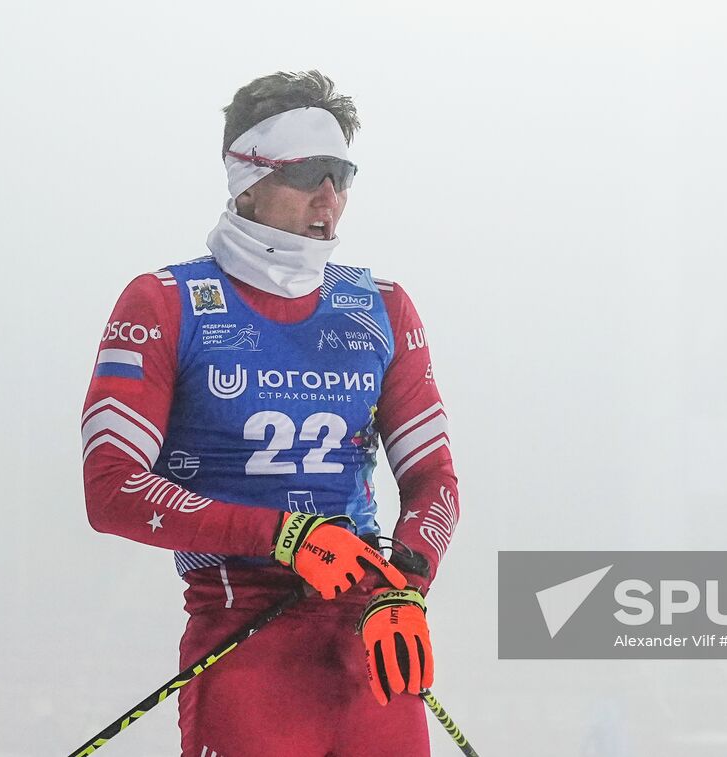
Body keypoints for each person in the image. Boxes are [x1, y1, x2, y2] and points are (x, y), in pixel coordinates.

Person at [80, 71, 460, 756]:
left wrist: (408, 580)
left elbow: (436, 479)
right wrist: (284, 534)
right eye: (309, 172)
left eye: (342, 174)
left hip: (371, 639)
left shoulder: (381, 307)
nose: (330, 198)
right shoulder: (166, 302)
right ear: (245, 179)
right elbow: (110, 488)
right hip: (243, 634)